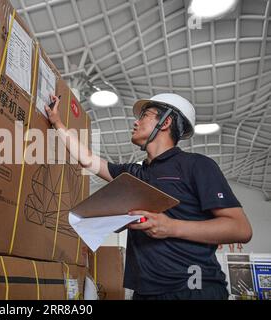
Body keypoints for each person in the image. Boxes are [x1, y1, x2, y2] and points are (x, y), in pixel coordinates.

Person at [45, 93, 252, 300]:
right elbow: (87, 160)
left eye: (144, 115)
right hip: (145, 293)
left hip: (194, 289)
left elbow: (240, 228)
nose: (136, 122)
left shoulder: (197, 165)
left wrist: (170, 227)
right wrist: (57, 123)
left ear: (166, 122)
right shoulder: (134, 174)